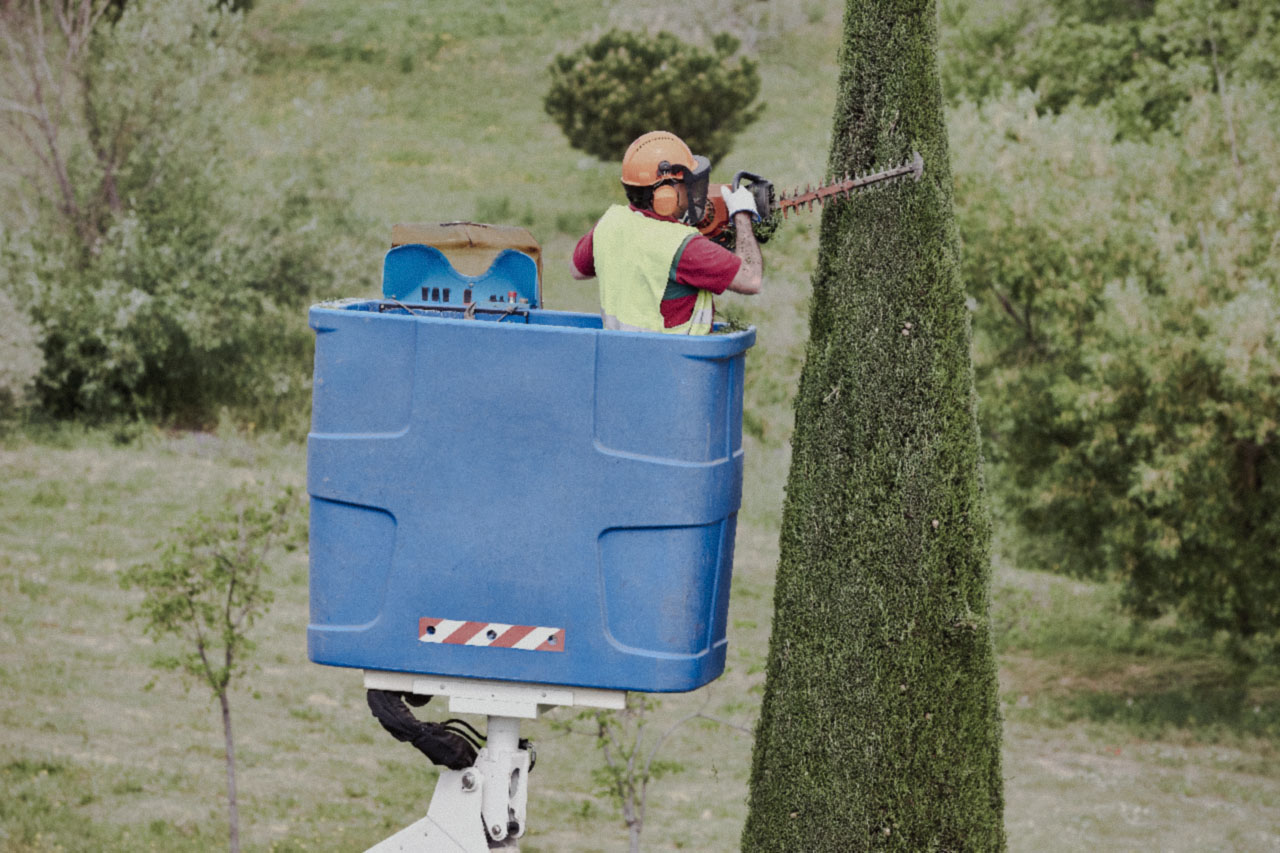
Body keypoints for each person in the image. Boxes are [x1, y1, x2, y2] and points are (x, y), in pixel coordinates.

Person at [571, 130, 764, 334]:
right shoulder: (683, 246)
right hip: (677, 362)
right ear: (665, 192)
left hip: (621, 359)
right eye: (685, 183)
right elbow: (751, 279)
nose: (691, 190)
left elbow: (578, 271)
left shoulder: (609, 222)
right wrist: (742, 216)